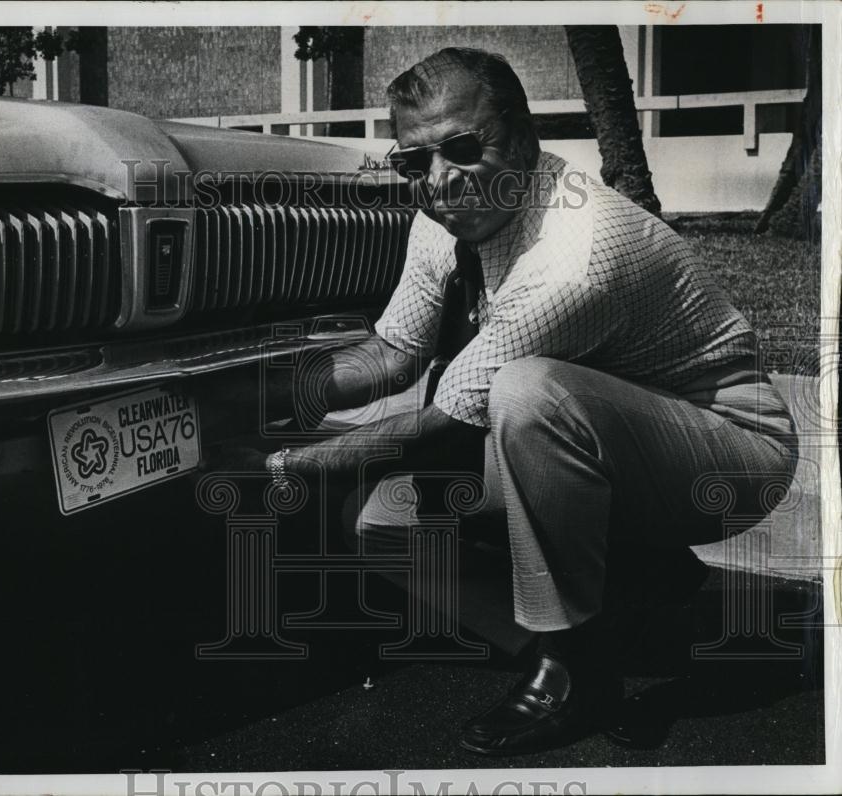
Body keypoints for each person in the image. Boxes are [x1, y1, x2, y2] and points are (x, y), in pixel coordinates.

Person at [210, 47, 798, 755]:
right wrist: (246, 400)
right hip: (612, 437)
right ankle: (592, 634)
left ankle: (573, 670)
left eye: (463, 147)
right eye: (414, 161)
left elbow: (444, 428)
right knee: (380, 522)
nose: (441, 179)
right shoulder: (446, 217)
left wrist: (278, 471)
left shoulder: (575, 252)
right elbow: (393, 354)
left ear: (523, 138)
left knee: (527, 394)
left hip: (728, 456)